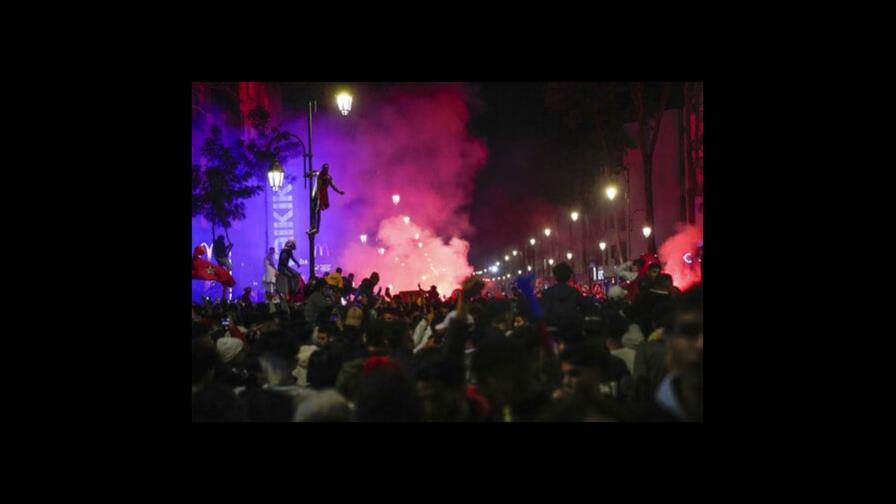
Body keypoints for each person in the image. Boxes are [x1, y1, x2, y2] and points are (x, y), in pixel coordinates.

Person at [308, 163, 344, 235]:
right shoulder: (319, 174)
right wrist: (309, 174)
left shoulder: (328, 178)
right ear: (322, 168)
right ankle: (313, 226)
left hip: (322, 196)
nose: (326, 170)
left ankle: (316, 228)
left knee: (317, 211)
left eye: (327, 168)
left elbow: (333, 186)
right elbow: (312, 173)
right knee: (313, 210)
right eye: (325, 168)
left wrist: (339, 191)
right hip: (315, 195)